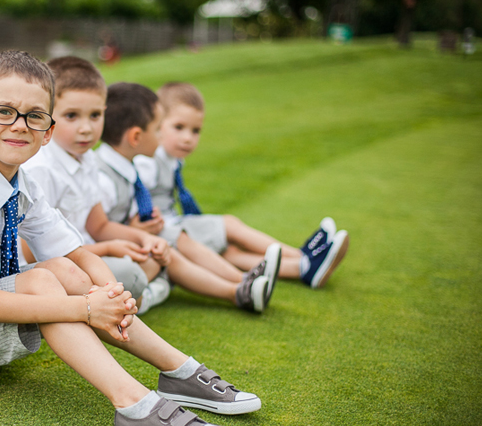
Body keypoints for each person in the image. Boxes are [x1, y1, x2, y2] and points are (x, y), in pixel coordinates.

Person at [0, 50, 261, 426]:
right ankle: (134, 406)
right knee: (41, 280)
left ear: (47, 131)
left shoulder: (20, 181)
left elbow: (77, 253)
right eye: (3, 112)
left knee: (62, 269)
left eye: (35, 116)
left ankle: (179, 371)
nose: (20, 125)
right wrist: (87, 310)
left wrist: (112, 294)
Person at [134, 82, 349, 289]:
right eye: (179, 127)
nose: (188, 138)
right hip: (166, 230)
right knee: (230, 225)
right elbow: (133, 200)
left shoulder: (172, 158)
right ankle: (304, 257)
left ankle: (302, 266)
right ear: (158, 124)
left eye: (195, 130)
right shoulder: (148, 161)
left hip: (176, 223)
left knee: (230, 251)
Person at [95, 81, 281, 313]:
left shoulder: (127, 166)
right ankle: (240, 287)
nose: (161, 135)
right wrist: (137, 231)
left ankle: (242, 286)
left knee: (168, 254)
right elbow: (95, 229)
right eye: (157, 129)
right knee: (169, 252)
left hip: (131, 242)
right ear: (135, 137)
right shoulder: (104, 177)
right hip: (105, 254)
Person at [21, 56, 171, 315]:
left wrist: (143, 237)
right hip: (50, 271)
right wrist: (108, 249)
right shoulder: (40, 169)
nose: (86, 128)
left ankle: (135, 295)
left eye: (95, 115)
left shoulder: (88, 159)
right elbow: (32, 254)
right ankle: (140, 297)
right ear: (45, 115)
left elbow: (99, 225)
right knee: (131, 274)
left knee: (149, 255)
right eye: (71, 116)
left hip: (86, 258)